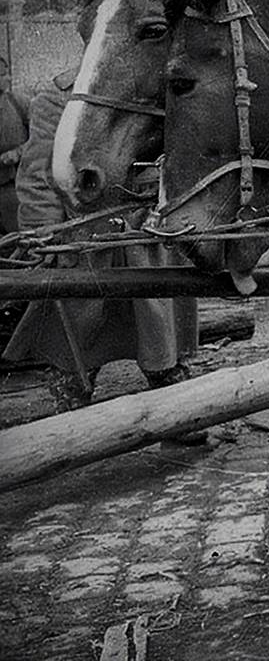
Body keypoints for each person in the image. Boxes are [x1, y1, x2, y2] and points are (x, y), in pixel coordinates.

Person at [2, 66, 205, 431]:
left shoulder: (152, 88)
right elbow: (37, 177)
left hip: (145, 234)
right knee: (75, 352)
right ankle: (73, 418)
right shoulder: (57, 97)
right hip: (84, 241)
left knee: (160, 341)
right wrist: (44, 234)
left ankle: (178, 418)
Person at [0, 58, 27, 234]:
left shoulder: (18, 103)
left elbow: (41, 139)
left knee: (18, 238)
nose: (8, 78)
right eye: (3, 74)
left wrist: (17, 153)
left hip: (13, 186)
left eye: (8, 73)